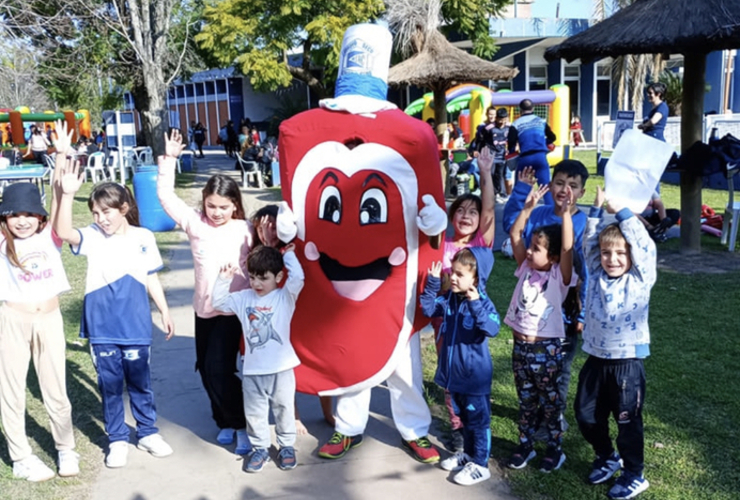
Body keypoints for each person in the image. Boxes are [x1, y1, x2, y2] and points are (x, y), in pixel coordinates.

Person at [54, 149, 175, 469]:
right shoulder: (91, 237)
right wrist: (67, 195)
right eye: (95, 212)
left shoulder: (143, 236)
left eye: (106, 211)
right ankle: (117, 439)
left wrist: (163, 310)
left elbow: (151, 278)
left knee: (140, 382)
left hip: (135, 324)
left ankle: (148, 432)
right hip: (101, 326)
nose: (100, 218)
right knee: (109, 385)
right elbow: (64, 232)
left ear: (124, 208)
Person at [156, 130, 253, 454]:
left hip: (233, 310)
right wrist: (169, 159)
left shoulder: (245, 230)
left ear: (234, 205)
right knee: (205, 368)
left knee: (221, 368)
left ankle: (241, 425)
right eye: (211, 206)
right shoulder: (195, 224)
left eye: (224, 207)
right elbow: (167, 198)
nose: (216, 212)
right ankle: (223, 420)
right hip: (204, 308)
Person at [574, 187, 656, 500]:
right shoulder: (595, 272)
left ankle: (634, 474)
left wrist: (621, 211)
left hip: (627, 364)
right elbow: (589, 246)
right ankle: (607, 456)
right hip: (596, 357)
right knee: (586, 415)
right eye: (609, 253)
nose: (612, 259)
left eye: (621, 254)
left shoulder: (639, 278)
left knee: (627, 421)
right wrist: (596, 210)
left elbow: (644, 246)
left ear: (632, 258)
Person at [503, 161, 590, 433]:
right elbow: (512, 229)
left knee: (559, 370)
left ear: (582, 192)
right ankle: (534, 414)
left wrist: (583, 312)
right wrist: (522, 195)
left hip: (565, 305)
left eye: (573, 185)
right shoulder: (539, 213)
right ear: (551, 185)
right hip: (535, 308)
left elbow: (582, 270)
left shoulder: (582, 222)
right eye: (560, 183)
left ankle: (554, 416)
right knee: (532, 369)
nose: (565, 190)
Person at [0, 180, 78, 482]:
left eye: (29, 214)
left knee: (55, 385)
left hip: (49, 319)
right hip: (13, 319)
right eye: (14, 214)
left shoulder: (51, 237)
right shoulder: (4, 241)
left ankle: (65, 447)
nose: (22, 220)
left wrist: (60, 156)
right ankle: (21, 456)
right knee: (12, 389)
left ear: (41, 217)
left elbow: (60, 197)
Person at [212, 239, 305, 473]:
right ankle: (260, 448)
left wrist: (289, 256)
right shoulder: (244, 297)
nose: (257, 283)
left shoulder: (285, 297)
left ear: (278, 277)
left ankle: (286, 446)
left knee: (284, 409)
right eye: (253, 277)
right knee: (254, 413)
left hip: (282, 369)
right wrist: (224, 279)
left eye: (264, 278)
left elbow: (298, 279)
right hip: (252, 370)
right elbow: (218, 302)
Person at [504, 181, 577, 472]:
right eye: (531, 247)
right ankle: (525, 445)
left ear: (554, 257)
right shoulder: (526, 267)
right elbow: (514, 233)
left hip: (546, 351)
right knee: (526, 402)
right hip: (521, 348)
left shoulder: (561, 276)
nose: (530, 252)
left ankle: (554, 450)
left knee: (551, 405)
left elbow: (569, 248)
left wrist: (567, 215)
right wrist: (527, 209)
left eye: (537, 249)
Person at [430, 147, 495, 452]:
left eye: (473, 211)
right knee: (449, 371)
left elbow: (491, 210)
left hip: (470, 321)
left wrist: (485, 172)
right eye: (461, 210)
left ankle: (474, 427)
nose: (467, 216)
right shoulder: (442, 242)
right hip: (444, 320)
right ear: (452, 214)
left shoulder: (482, 245)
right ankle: (457, 430)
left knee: (469, 371)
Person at [421, 247, 500, 486]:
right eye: (452, 272)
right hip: (453, 377)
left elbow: (492, 328)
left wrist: (475, 304)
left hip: (474, 378)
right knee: (464, 418)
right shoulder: (448, 300)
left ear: (475, 279)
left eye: (460, 274)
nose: (453, 277)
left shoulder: (483, 303)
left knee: (478, 422)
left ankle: (481, 464)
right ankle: (467, 453)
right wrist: (434, 283)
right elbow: (427, 308)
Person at [508, 99, 557, 205]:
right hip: (540, 157)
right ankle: (553, 215)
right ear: (533, 108)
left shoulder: (516, 124)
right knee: (545, 187)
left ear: (520, 110)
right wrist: (544, 143)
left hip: (525, 158)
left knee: (519, 188)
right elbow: (553, 137)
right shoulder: (541, 121)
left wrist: (512, 153)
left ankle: (516, 214)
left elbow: (511, 143)